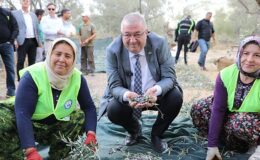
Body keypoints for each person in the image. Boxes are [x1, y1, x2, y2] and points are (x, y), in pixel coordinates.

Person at [98, 12, 183, 153]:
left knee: (175, 97)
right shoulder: (112, 50)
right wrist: (127, 95)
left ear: (146, 32)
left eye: (137, 34)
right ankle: (134, 129)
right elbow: (114, 85)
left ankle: (156, 134)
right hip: (130, 99)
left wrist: (156, 90)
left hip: (156, 96)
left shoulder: (159, 43)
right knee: (113, 109)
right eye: (127, 35)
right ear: (121, 34)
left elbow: (169, 77)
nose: (132, 40)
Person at [0, 38, 98, 159]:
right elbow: (23, 113)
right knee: (1, 119)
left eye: (67, 56)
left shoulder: (77, 78)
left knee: (79, 117)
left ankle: (59, 156)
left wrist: (91, 134)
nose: (62, 60)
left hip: (52, 125)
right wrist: (30, 150)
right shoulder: (33, 75)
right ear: (50, 54)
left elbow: (89, 107)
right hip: (23, 122)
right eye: (58, 54)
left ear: (73, 60)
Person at [190, 35, 260, 160]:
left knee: (240, 121)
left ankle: (252, 147)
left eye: (257, 55)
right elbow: (218, 109)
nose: (249, 59)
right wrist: (212, 145)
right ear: (239, 54)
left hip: (250, 129)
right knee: (200, 107)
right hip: (229, 121)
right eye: (246, 53)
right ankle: (218, 139)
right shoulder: (226, 74)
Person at [12, 0, 42, 81]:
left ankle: (30, 79)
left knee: (32, 62)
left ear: (30, 3)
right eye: (24, 0)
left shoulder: (33, 15)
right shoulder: (15, 14)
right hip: (22, 41)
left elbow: (37, 29)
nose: (26, 2)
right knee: (20, 61)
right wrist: (15, 40)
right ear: (20, 2)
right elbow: (13, 27)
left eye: (27, 1)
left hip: (33, 40)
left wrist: (39, 41)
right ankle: (20, 79)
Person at [0, 0, 19, 98]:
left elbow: (16, 28)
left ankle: (11, 92)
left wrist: (11, 41)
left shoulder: (7, 13)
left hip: (7, 45)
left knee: (10, 68)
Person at [79, 11, 96, 75]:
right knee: (83, 58)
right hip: (83, 45)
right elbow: (79, 35)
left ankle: (92, 71)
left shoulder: (92, 25)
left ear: (87, 17)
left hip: (90, 45)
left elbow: (94, 34)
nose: (82, 18)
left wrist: (88, 39)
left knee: (90, 58)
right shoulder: (80, 26)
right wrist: (80, 41)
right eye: (82, 17)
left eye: (84, 17)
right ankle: (84, 71)